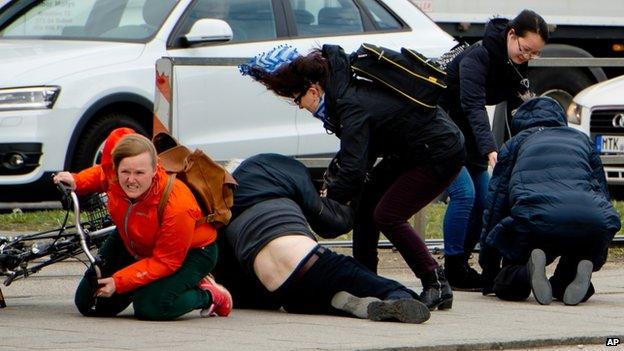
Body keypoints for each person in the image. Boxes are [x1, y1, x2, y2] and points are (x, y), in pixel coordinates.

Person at [240, 44, 466, 310]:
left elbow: (354, 168)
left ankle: (436, 282)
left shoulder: (349, 104)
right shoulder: (341, 90)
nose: (300, 107)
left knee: (387, 215)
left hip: (439, 151)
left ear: (313, 90)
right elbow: (360, 153)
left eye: (298, 100)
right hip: (412, 149)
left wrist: (328, 204)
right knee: (367, 205)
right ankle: (366, 278)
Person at [211, 153, 431, 323]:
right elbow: (329, 222)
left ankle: (341, 302)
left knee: (318, 292)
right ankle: (394, 300)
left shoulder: (223, 213)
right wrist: (357, 206)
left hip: (283, 295)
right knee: (403, 293)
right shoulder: (275, 167)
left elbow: (232, 285)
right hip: (314, 263)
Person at [53, 129, 232, 320]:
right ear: (116, 168)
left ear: (155, 169)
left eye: (139, 173)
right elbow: (101, 174)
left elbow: (165, 261)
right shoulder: (115, 175)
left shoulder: (177, 204)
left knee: (151, 306)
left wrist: (119, 282)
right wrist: (76, 181)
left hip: (190, 251)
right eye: (125, 172)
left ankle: (210, 294)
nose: (131, 180)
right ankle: (146, 283)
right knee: (90, 304)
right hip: (134, 241)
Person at [438, 9, 549, 291]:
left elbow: (519, 109)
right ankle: (451, 268)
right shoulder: (478, 56)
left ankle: (464, 264)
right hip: (438, 127)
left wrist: (535, 143)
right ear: (511, 35)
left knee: (487, 198)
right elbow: (473, 106)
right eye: (525, 50)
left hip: (466, 131)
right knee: (464, 194)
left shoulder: (513, 62)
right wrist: (490, 148)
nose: (528, 58)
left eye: (534, 54)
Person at [479, 97, 621, 305]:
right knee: (578, 251)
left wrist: (489, 267)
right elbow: (602, 196)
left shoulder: (516, 143)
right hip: (590, 220)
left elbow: (495, 204)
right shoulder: (582, 140)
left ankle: (526, 273)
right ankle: (572, 276)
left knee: (509, 282)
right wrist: (595, 256)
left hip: (535, 219)